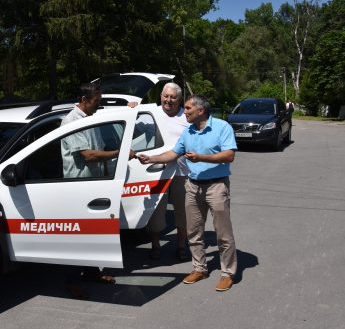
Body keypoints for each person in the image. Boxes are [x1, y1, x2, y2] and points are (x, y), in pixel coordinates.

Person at [138, 94, 238, 292]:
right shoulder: (188, 132)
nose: (186, 112)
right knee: (193, 231)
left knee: (223, 233)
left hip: (216, 186)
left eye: (189, 109)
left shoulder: (222, 127)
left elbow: (229, 155)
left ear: (200, 111)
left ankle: (228, 273)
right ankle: (200, 268)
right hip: (192, 186)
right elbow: (173, 154)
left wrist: (201, 157)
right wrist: (150, 159)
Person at [60, 82, 136, 299]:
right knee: (77, 238)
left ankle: (93, 272)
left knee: (93, 233)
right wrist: (119, 153)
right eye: (96, 102)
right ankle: (72, 281)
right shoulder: (72, 121)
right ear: (84, 100)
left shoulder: (91, 119)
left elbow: (99, 151)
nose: (98, 106)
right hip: (77, 186)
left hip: (94, 184)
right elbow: (88, 155)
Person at [146, 82, 190, 261]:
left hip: (182, 173)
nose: (169, 100)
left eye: (173, 97)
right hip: (157, 172)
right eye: (166, 96)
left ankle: (181, 245)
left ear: (180, 99)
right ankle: (155, 246)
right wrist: (132, 106)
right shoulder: (151, 114)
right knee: (156, 211)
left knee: (183, 212)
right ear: (161, 96)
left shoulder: (187, 116)